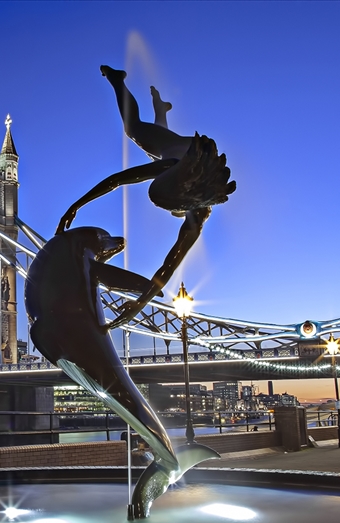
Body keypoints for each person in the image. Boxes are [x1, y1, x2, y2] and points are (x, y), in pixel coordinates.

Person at [56, 65, 237, 328]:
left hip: (187, 158)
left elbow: (168, 267)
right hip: (181, 154)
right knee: (134, 130)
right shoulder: (171, 169)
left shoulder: (197, 214)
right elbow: (116, 180)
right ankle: (119, 80)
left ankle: (160, 110)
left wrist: (140, 303)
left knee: (155, 146)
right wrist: (76, 206)